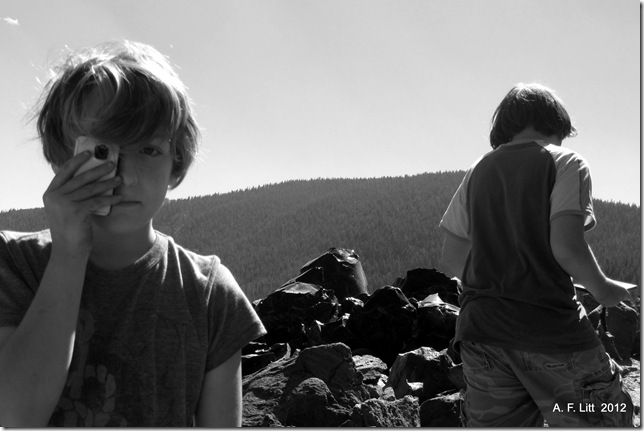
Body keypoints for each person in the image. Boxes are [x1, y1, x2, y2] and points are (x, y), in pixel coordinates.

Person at [0, 40, 266, 427]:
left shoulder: (209, 294)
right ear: (61, 155)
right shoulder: (14, 262)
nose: (126, 175)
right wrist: (69, 252)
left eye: (149, 150)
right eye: (103, 150)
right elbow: (14, 414)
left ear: (176, 163)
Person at [438, 83, 637, 427]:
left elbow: (453, 260)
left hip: (481, 334)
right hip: (550, 333)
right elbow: (567, 247)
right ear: (556, 123)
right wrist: (605, 291)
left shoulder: (478, 170)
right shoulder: (565, 161)